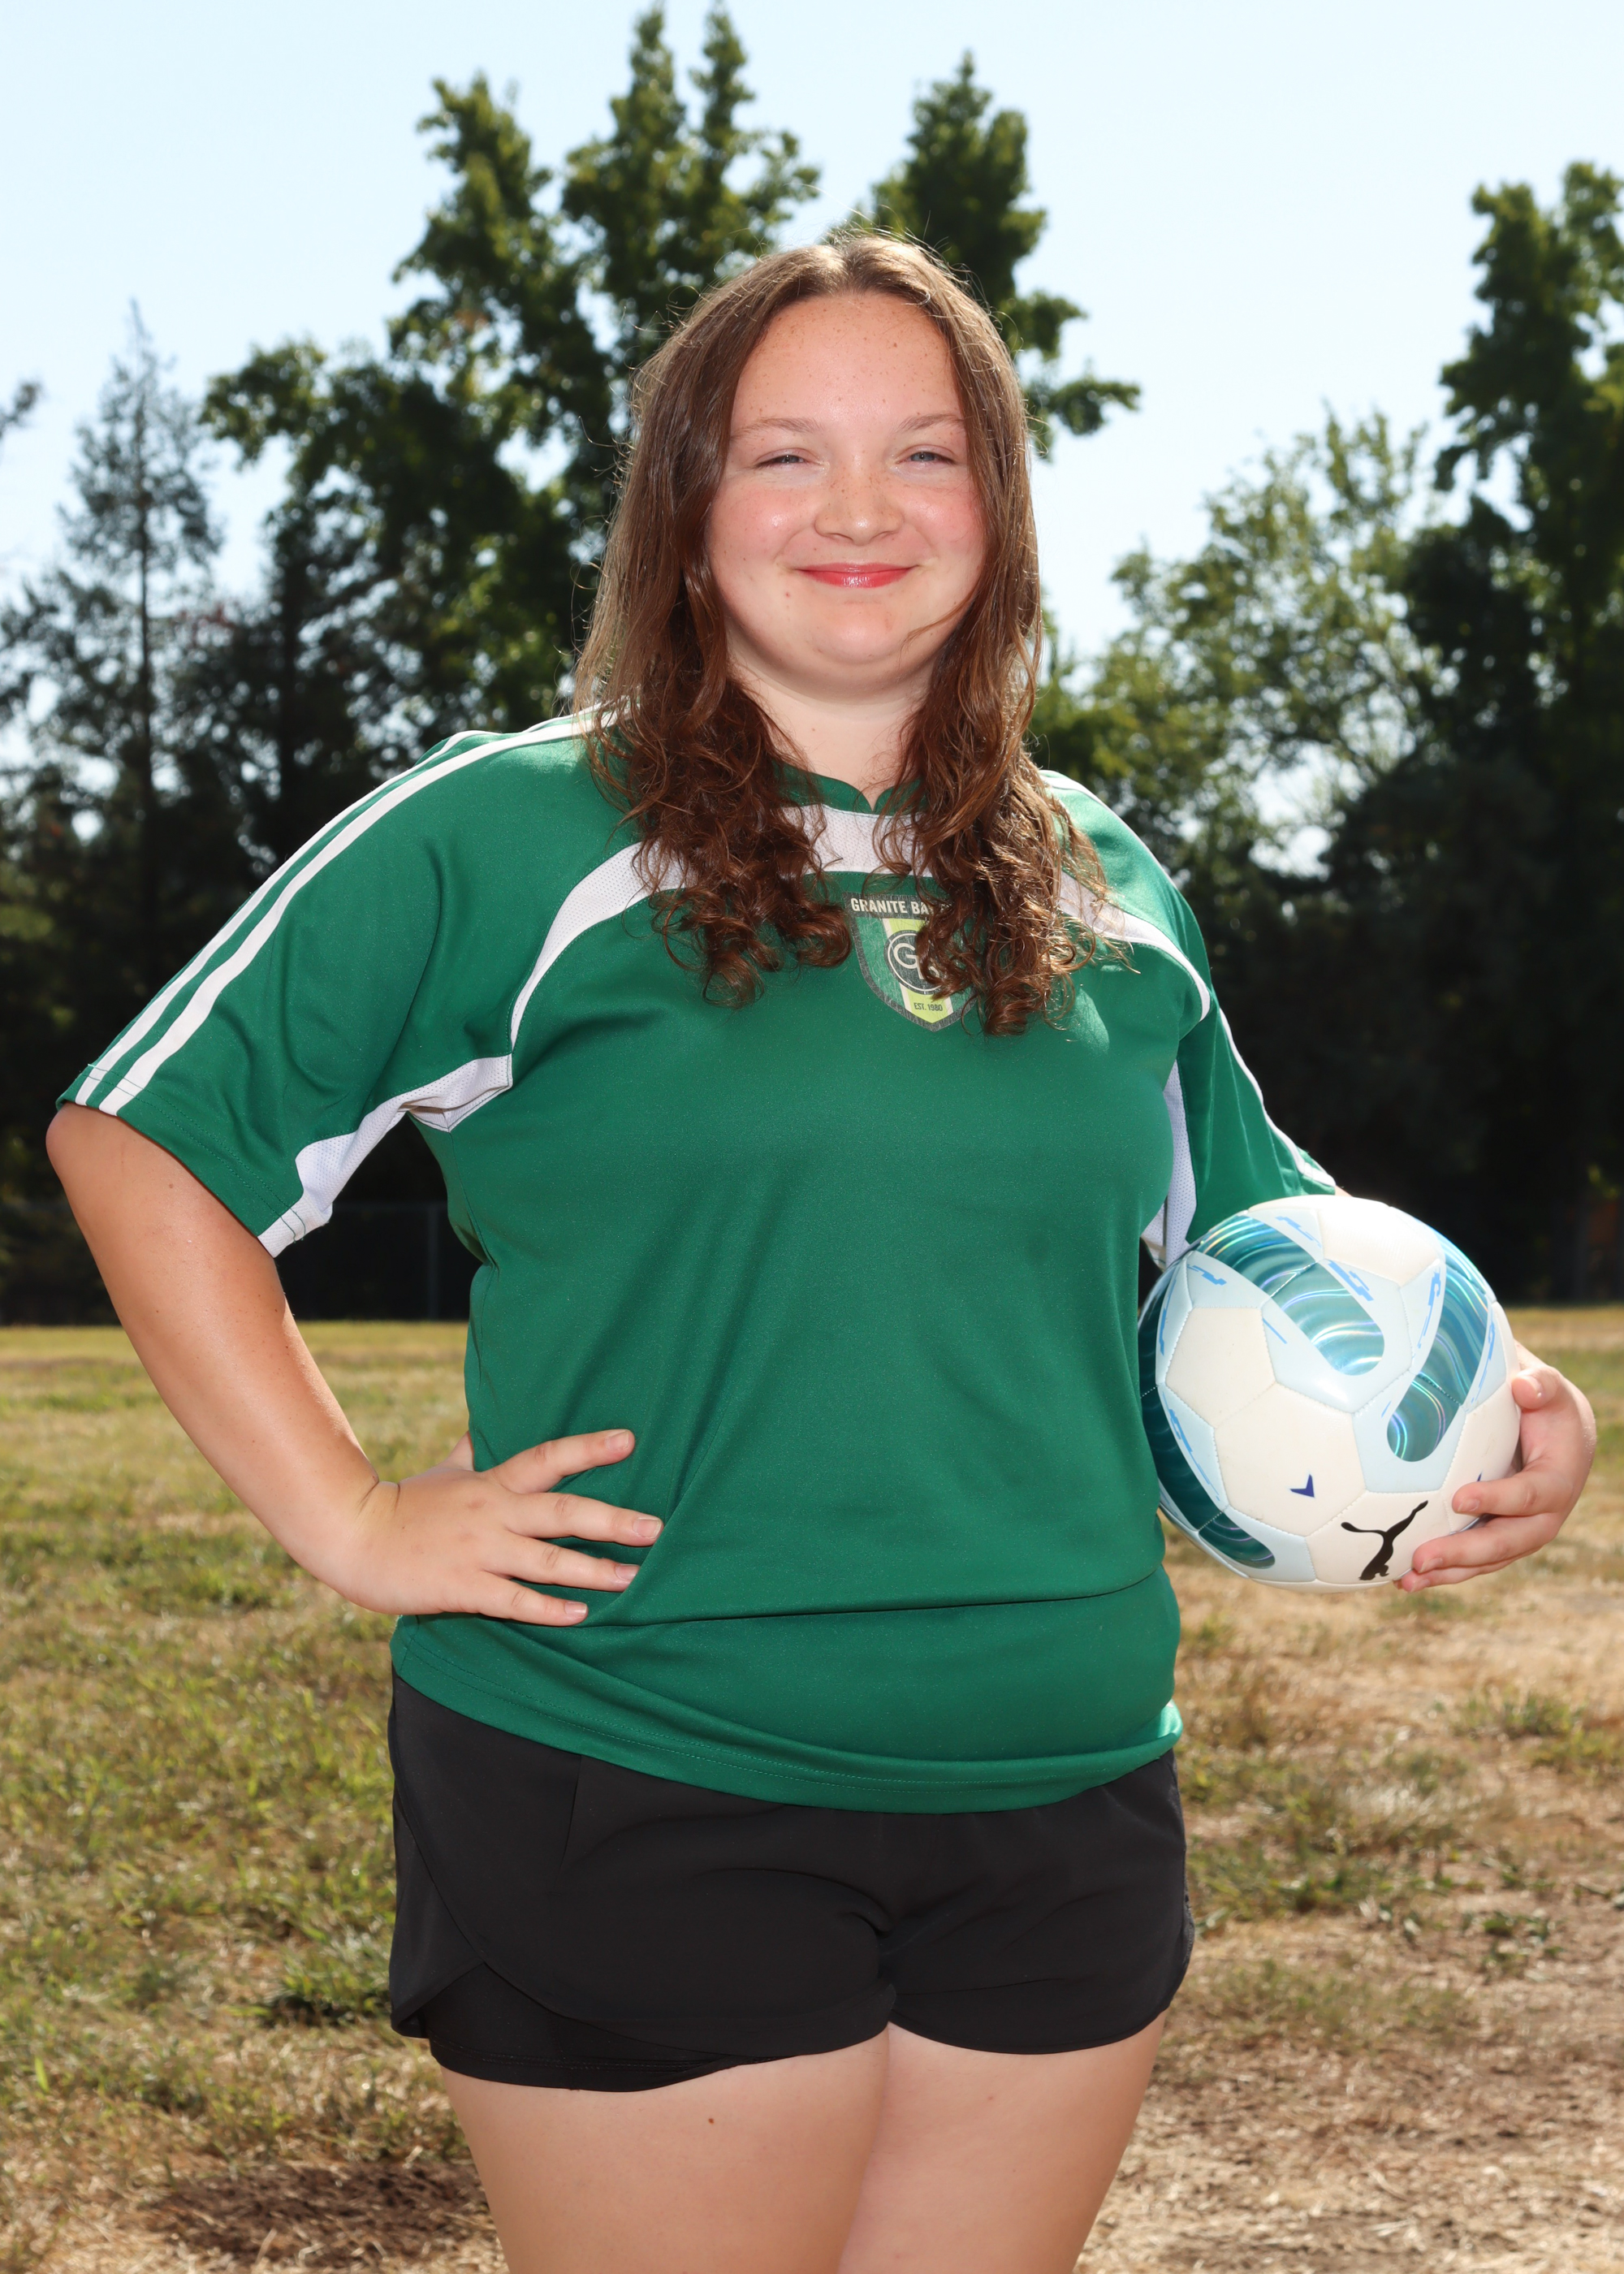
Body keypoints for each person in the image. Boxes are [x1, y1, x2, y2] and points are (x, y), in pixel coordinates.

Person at [48, 235, 1596, 2274]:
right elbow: (143, 1137)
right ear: (685, 508)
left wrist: (1511, 1404)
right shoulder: (510, 833)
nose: (858, 508)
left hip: (1062, 1774)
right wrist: (346, 1512)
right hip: (644, 1757)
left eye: (923, 453)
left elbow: (1270, 1239)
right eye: (784, 453)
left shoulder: (1105, 876)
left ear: (998, 505)